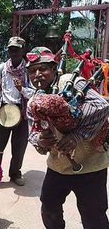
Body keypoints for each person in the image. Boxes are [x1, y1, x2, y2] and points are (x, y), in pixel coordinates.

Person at [26, 46, 109, 228]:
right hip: (58, 166)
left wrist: (77, 136)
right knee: (49, 207)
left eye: (43, 69)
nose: (37, 74)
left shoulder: (70, 81)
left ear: (54, 69)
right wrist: (40, 141)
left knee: (93, 217)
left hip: (91, 165)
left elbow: (101, 105)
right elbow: (32, 131)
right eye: (32, 71)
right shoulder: (34, 100)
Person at [0, 37, 34, 186]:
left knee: (19, 146)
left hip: (21, 111)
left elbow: (35, 93)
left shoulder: (28, 69)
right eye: (11, 49)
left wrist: (22, 89)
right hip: (4, 109)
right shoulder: (2, 68)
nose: (13, 52)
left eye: (16, 49)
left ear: (23, 51)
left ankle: (15, 173)